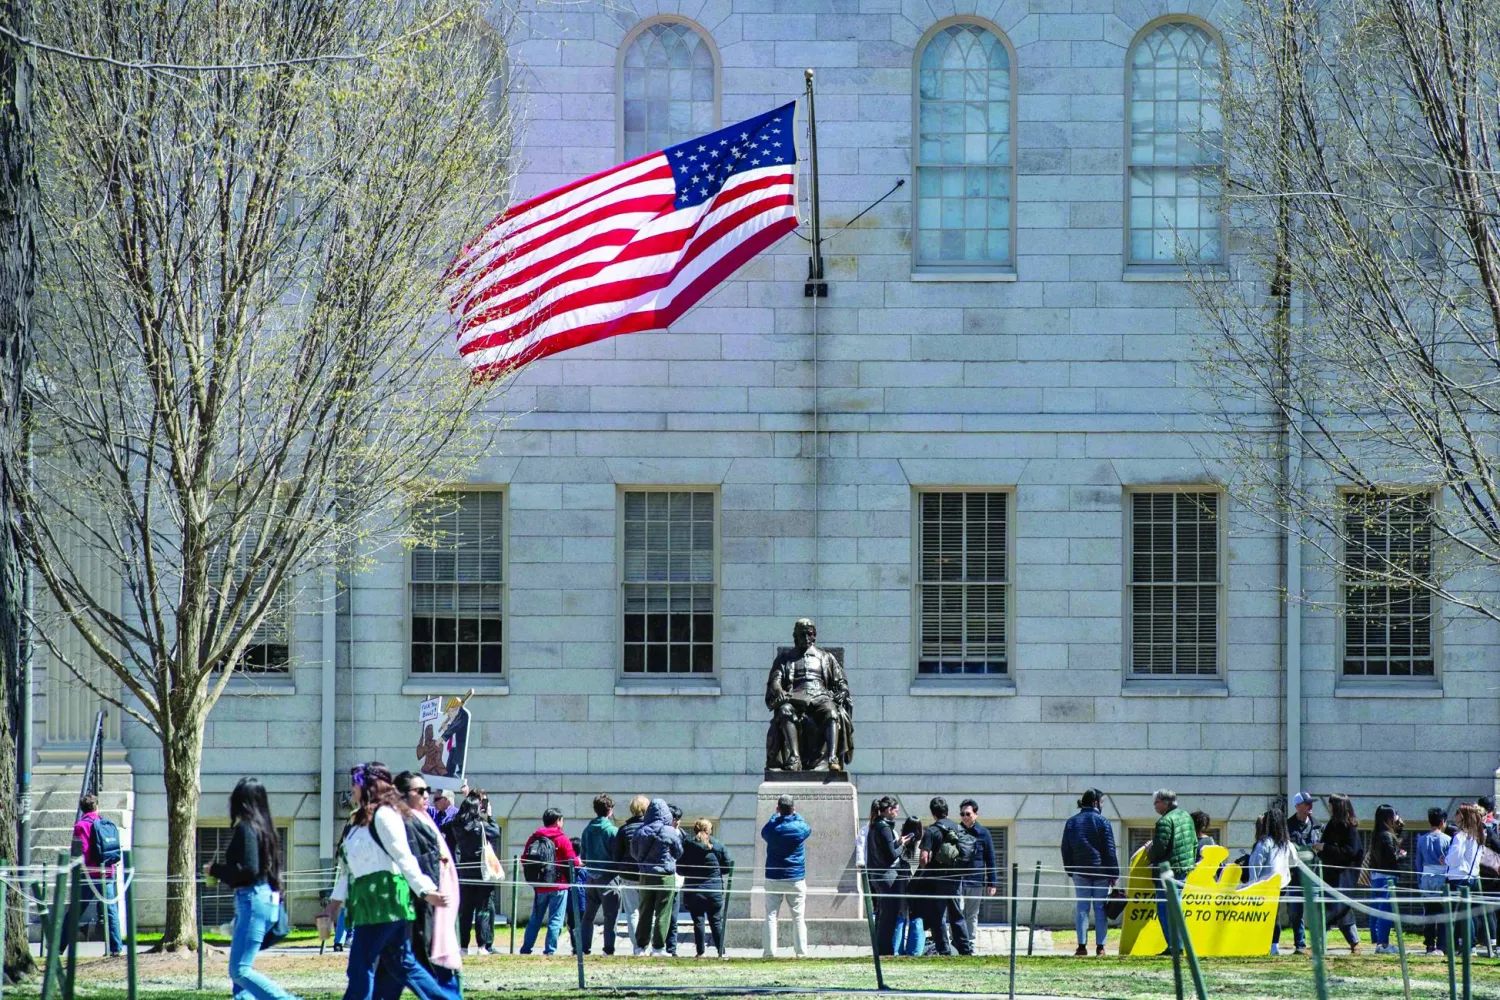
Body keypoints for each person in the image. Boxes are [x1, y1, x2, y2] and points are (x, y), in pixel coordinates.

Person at [321, 762, 450, 1000]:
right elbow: (349, 871)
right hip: (367, 904)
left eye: (355, 784)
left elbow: (404, 857)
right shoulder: (356, 822)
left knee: (360, 967)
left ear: (368, 785)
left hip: (385, 902)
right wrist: (332, 906)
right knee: (404, 965)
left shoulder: (385, 815)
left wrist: (425, 890)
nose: (352, 789)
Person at [203, 778, 295, 1000]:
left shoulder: (246, 828)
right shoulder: (266, 829)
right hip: (264, 899)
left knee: (240, 970)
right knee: (241, 975)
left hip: (252, 901)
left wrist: (215, 869)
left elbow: (249, 870)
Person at [387, 772, 461, 1000]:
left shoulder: (421, 818)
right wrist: (429, 895)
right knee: (430, 963)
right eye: (419, 791)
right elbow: (419, 863)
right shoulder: (406, 822)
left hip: (436, 904)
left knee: (397, 970)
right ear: (401, 794)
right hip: (424, 905)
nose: (426, 795)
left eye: (427, 790)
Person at [1060, 788, 1119, 957]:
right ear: (1095, 803)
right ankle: (1100, 947)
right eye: (1101, 802)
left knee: (1082, 909)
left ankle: (1081, 946)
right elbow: (1109, 850)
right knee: (1100, 909)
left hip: (1080, 871)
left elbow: (1065, 848)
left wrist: (1070, 870)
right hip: (1101, 872)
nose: (1102, 805)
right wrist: (1114, 873)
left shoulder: (1072, 822)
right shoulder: (1103, 821)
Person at [444, 793, 499, 955]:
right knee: (482, 909)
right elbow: (495, 832)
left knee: (465, 911)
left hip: (464, 871)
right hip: (482, 872)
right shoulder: (480, 825)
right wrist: (490, 815)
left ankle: (463, 947)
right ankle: (481, 946)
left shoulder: (455, 825)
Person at [918, 796, 973, 956]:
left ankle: (944, 950)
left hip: (938, 880)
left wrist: (926, 868)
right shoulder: (959, 828)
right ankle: (965, 949)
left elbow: (923, 858)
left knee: (939, 916)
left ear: (933, 813)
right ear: (947, 811)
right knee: (957, 915)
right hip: (956, 879)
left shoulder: (932, 830)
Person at [520, 807, 579, 956]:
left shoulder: (535, 838)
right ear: (558, 821)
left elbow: (524, 859)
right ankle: (550, 951)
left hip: (540, 885)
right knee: (556, 920)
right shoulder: (562, 838)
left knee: (535, 919)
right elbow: (572, 861)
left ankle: (526, 949)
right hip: (559, 885)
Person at [71, 793, 123, 956]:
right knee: (111, 909)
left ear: (82, 809)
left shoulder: (80, 826)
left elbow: (82, 851)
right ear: (97, 807)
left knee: (76, 910)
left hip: (90, 874)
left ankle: (57, 946)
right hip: (107, 872)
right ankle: (116, 948)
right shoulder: (104, 823)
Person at [632, 798, 684, 957]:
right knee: (663, 911)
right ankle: (658, 947)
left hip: (646, 875)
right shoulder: (669, 831)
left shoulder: (641, 831)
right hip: (665, 876)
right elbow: (678, 852)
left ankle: (641, 946)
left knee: (644, 910)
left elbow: (634, 852)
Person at [761, 794, 812, 958]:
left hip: (774, 877)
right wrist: (795, 815)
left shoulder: (772, 829)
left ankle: (769, 953)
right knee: (798, 917)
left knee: (771, 916)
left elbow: (765, 830)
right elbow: (806, 826)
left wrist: (775, 816)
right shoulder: (800, 828)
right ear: (793, 809)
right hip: (795, 877)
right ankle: (801, 952)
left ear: (778, 809)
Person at [1145, 789, 1195, 955]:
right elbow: (1194, 843)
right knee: (1176, 907)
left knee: (1164, 909)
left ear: (1165, 803)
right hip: (1183, 869)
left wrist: (1148, 851)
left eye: (1156, 802)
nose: (1154, 805)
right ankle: (1179, 944)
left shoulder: (1164, 822)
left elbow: (1159, 849)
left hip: (1167, 871)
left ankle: (1175, 946)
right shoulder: (1186, 816)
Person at [1315, 793, 1363, 953]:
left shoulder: (1349, 827)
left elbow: (1351, 851)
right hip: (1331, 873)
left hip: (1344, 875)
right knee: (1329, 907)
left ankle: (1352, 942)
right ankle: (1350, 943)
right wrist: (1320, 849)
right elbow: (1325, 844)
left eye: (1331, 804)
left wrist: (1325, 848)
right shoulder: (1332, 824)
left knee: (1339, 908)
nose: (1328, 807)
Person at [1246, 806, 1295, 955]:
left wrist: (1251, 886)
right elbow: (1294, 862)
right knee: (1275, 915)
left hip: (1264, 885)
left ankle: (1261, 943)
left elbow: (1255, 865)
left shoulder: (1265, 842)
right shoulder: (1287, 844)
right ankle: (1274, 946)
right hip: (1281, 885)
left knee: (1262, 916)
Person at [680, 818, 731, 959]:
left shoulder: (687, 846)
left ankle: (700, 952)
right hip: (714, 890)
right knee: (716, 922)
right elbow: (727, 867)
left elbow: (680, 868)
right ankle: (721, 953)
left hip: (694, 890)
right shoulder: (718, 846)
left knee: (698, 921)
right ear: (710, 830)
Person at [865, 796, 908, 957]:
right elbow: (891, 856)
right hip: (887, 876)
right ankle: (885, 950)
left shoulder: (875, 826)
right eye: (895, 809)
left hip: (877, 875)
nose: (897, 812)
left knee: (883, 913)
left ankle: (880, 948)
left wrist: (897, 843)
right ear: (889, 810)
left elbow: (885, 850)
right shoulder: (884, 828)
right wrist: (902, 845)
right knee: (889, 915)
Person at [579, 794, 621, 956]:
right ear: (610, 811)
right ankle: (608, 950)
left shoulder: (587, 830)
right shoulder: (612, 831)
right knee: (610, 916)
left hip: (591, 878)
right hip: (608, 878)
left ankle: (584, 948)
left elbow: (583, 857)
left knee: (588, 916)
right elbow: (617, 856)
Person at [1444, 802, 1486, 957]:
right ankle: (1470, 946)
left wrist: (1446, 860)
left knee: (1462, 915)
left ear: (1463, 816)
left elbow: (1454, 858)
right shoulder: (1477, 834)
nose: (1455, 815)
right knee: (1468, 914)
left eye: (1457, 812)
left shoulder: (1461, 835)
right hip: (1472, 877)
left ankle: (1467, 946)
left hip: (1459, 878)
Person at [956, 799, 998, 948]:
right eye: (962, 814)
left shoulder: (984, 833)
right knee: (957, 914)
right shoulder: (955, 831)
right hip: (958, 880)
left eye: (968, 814)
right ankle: (957, 944)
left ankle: (970, 944)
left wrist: (992, 882)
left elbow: (990, 858)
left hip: (976, 880)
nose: (965, 817)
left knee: (972, 915)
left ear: (976, 814)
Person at [1285, 791, 1322, 955]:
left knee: (1315, 909)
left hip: (1313, 874)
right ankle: (1300, 945)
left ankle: (1318, 943)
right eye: (1307, 804)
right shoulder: (1287, 826)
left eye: (1311, 803)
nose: (1310, 806)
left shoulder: (1318, 825)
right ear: (1298, 806)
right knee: (1295, 911)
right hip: (1294, 876)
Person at [1367, 804, 1405, 954]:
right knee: (1386, 911)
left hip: (1376, 876)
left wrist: (1399, 829)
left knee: (1376, 909)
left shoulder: (1377, 833)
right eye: (1395, 814)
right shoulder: (1386, 836)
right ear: (1389, 817)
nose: (1397, 817)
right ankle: (1383, 944)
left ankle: (1378, 941)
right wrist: (1401, 855)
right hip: (1387, 878)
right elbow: (1391, 859)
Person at [613, 795, 649, 954]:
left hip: (628, 875)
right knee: (648, 912)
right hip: (647, 875)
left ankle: (637, 948)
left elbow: (616, 855)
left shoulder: (624, 830)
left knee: (632, 913)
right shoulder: (651, 828)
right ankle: (646, 945)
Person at [1416, 808, 1453, 955]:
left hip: (1426, 876)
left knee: (1429, 913)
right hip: (1442, 877)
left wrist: (1420, 879)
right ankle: (1441, 946)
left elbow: (1418, 862)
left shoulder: (1421, 839)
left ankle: (1429, 944)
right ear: (1443, 822)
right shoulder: (1448, 839)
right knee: (1443, 912)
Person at [896, 814, 927, 956]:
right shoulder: (924, 844)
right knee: (918, 917)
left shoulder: (902, 844)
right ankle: (914, 952)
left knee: (901, 917)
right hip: (919, 884)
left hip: (903, 883)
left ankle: (896, 950)